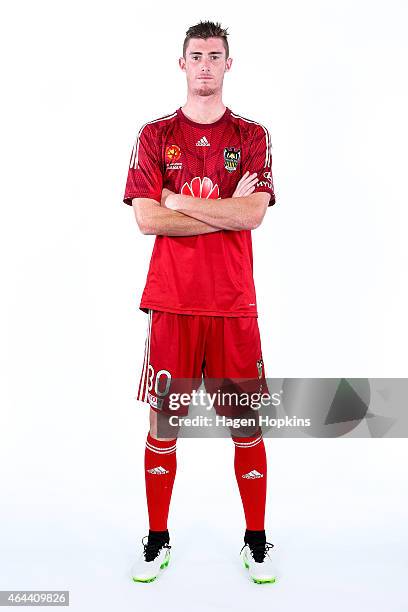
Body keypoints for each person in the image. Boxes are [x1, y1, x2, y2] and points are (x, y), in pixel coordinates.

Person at [122, 20, 277, 584]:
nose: (206, 65)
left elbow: (253, 213)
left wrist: (175, 198)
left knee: (247, 424)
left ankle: (256, 541)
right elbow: (145, 219)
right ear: (182, 64)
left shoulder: (252, 136)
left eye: (215, 55)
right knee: (165, 423)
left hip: (234, 303)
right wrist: (218, 211)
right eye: (197, 55)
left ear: (228, 64)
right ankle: (157, 537)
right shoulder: (154, 134)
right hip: (173, 302)